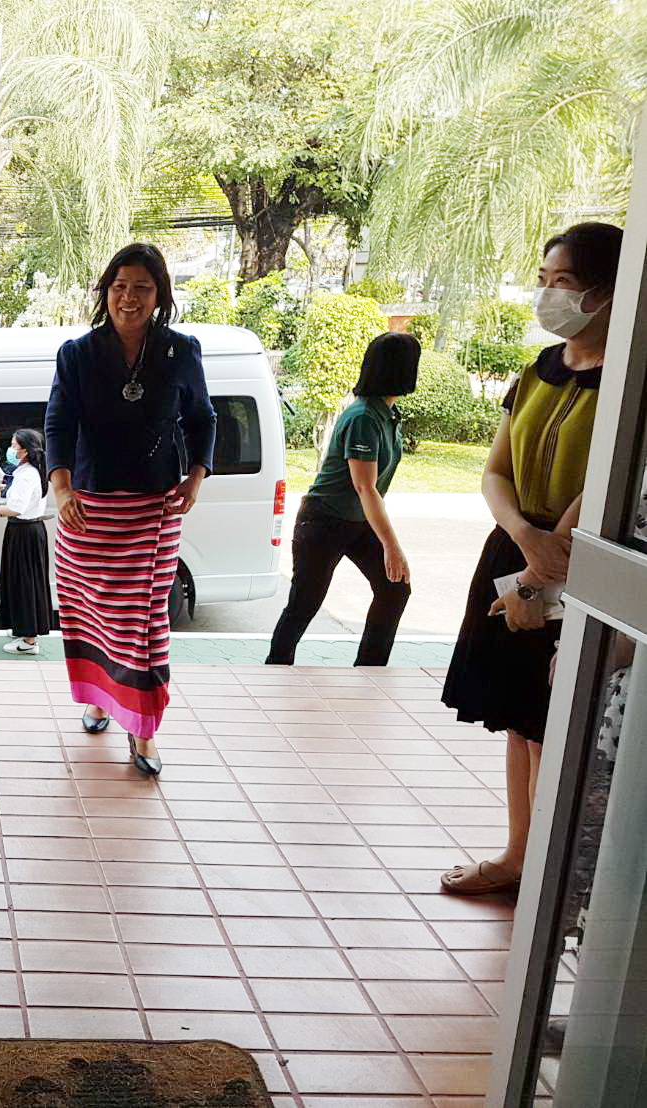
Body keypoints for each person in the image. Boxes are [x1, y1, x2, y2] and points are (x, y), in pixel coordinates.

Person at [439, 221, 623, 896]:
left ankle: (547, 868)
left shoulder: (629, 382)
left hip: (577, 558)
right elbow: (496, 471)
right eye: (543, 280)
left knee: (553, 723)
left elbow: (603, 486)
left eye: (563, 282)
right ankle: (518, 854)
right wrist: (522, 538)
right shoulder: (536, 370)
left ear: (608, 293)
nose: (548, 295)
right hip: (517, 547)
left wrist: (538, 573)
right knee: (519, 719)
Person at [45, 243, 216, 778]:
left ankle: (143, 729)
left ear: (159, 295)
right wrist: (62, 489)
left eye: (142, 287)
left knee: (142, 624)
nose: (129, 297)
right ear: (106, 292)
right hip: (86, 511)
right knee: (90, 614)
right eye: (120, 286)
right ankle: (101, 700)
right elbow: (57, 423)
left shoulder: (181, 351)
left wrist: (197, 475)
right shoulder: (77, 354)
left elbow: (203, 419)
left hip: (153, 511)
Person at [266, 332, 420, 667]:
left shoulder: (387, 414)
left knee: (395, 589)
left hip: (357, 521)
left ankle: (370, 669)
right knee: (305, 603)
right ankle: (275, 668)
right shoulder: (363, 417)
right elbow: (366, 487)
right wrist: (392, 547)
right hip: (323, 521)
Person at [0, 428, 53, 656]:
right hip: (31, 531)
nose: (10, 449)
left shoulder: (25, 474)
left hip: (23, 532)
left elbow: (16, 508)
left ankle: (29, 640)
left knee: (24, 583)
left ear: (25, 450)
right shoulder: (32, 472)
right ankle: (24, 630)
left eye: (14, 445)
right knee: (27, 581)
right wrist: (5, 488)